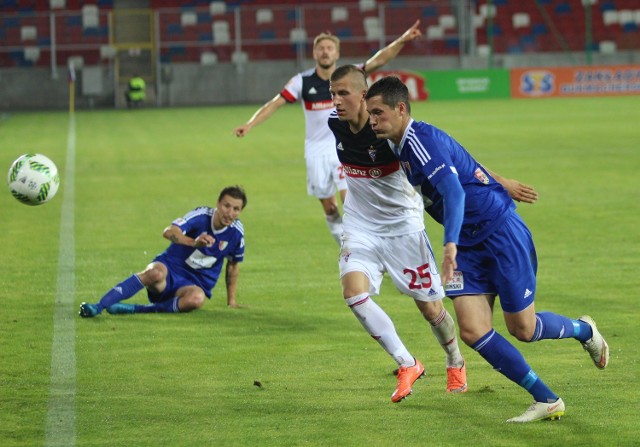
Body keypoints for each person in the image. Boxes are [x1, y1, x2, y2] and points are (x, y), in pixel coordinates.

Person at [363, 76, 609, 422]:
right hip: (466, 243)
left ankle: (584, 330)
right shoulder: (398, 142)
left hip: (498, 232)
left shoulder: (420, 142)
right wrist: (500, 181)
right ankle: (546, 399)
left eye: (378, 113)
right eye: (370, 113)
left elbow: (455, 192)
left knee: (523, 329)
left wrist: (448, 246)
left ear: (401, 109)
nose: (372, 120)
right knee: (473, 330)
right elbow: (464, 160)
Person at [328, 64, 467, 402]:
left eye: (343, 93)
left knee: (431, 310)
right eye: (332, 94)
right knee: (353, 293)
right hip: (360, 227)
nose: (336, 101)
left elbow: (443, 156)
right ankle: (407, 363)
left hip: (404, 228)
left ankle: (455, 359)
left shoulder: (391, 134)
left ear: (363, 95)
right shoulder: (335, 125)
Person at [234, 21, 424, 245]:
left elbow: (379, 59)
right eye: (321, 48)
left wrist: (402, 39)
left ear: (337, 53)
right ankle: (344, 243)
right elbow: (275, 103)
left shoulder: (351, 76)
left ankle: (361, 244)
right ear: (315, 53)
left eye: (329, 48)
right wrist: (250, 124)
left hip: (344, 147)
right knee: (330, 207)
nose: (325, 52)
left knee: (349, 200)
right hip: (315, 152)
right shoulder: (302, 81)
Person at [79, 186, 247, 317]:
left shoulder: (236, 233)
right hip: (169, 269)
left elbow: (233, 266)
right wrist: (194, 242)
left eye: (236, 209)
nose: (229, 212)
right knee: (154, 273)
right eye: (226, 206)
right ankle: (98, 306)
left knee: (197, 299)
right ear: (218, 203)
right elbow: (168, 232)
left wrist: (231, 301)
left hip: (193, 285)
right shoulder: (202, 215)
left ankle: (138, 310)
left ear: (240, 211)